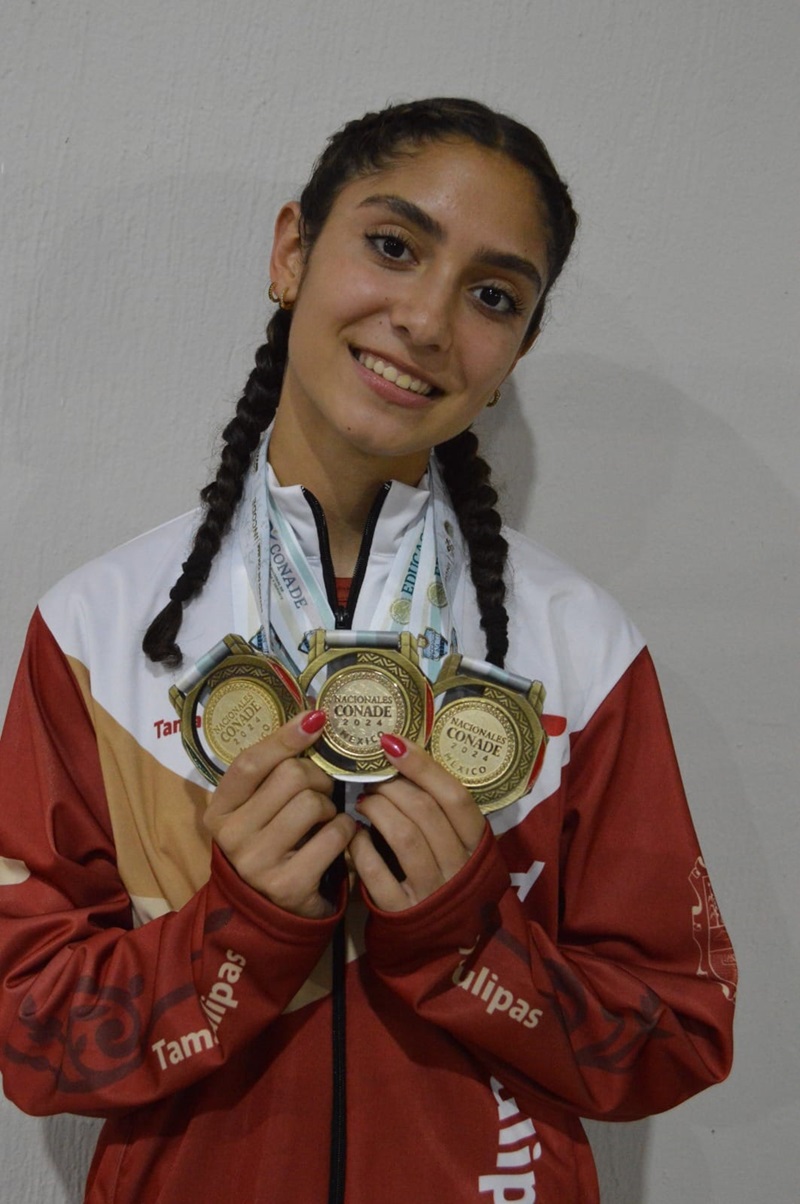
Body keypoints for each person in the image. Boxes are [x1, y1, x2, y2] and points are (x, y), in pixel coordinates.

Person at [0, 98, 736, 1204]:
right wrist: (236, 937)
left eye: (493, 295)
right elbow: (28, 1033)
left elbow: (677, 1033)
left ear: (519, 349)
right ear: (291, 253)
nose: (427, 320)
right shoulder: (98, 633)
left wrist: (464, 940)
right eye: (392, 246)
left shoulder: (582, 648)